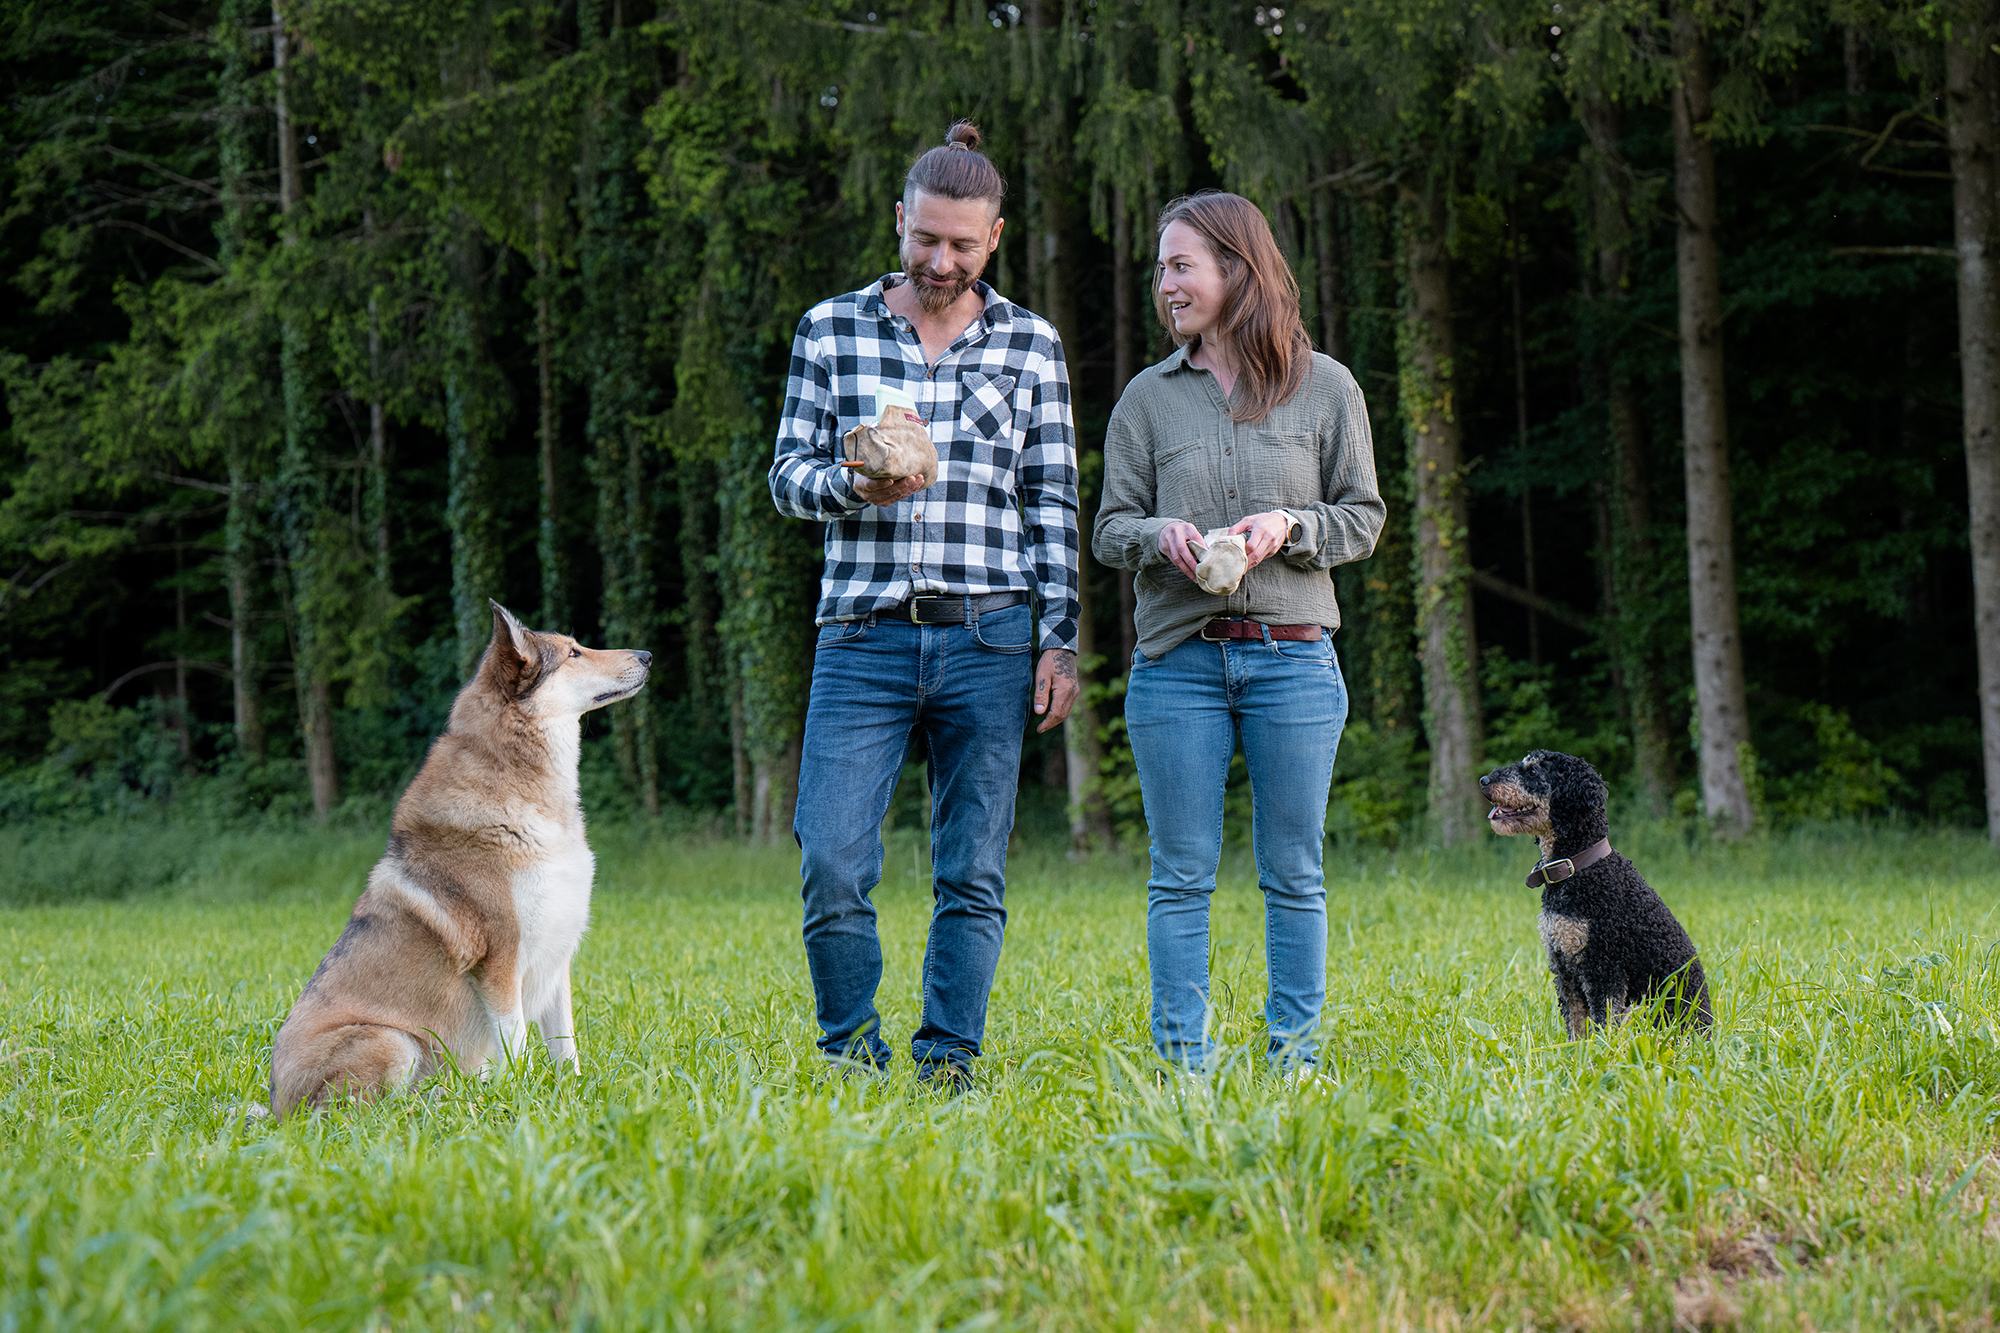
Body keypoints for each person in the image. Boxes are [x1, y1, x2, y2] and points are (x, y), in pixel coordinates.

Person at [769, 121, 1081, 1095]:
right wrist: (852, 489)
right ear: (898, 220)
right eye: (924, 239)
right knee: (830, 858)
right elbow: (784, 477)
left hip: (989, 634)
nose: (939, 261)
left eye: (961, 244)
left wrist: (1058, 640)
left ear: (994, 238)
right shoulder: (831, 327)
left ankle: (946, 1061)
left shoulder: (1030, 344)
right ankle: (850, 1056)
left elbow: (1051, 498)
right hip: (860, 633)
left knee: (971, 873)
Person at [1092, 191, 1385, 1076]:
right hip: (1177, 665)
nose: (1165, 283)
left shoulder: (1325, 386)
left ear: (1236, 269)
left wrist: (1289, 526)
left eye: (1182, 265)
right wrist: (1159, 537)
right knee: (1180, 875)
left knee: (1294, 872)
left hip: (1295, 662)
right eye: (1160, 267)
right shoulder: (1147, 399)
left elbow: (1364, 519)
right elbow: (1109, 529)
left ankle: (1295, 1056)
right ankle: (1185, 1059)